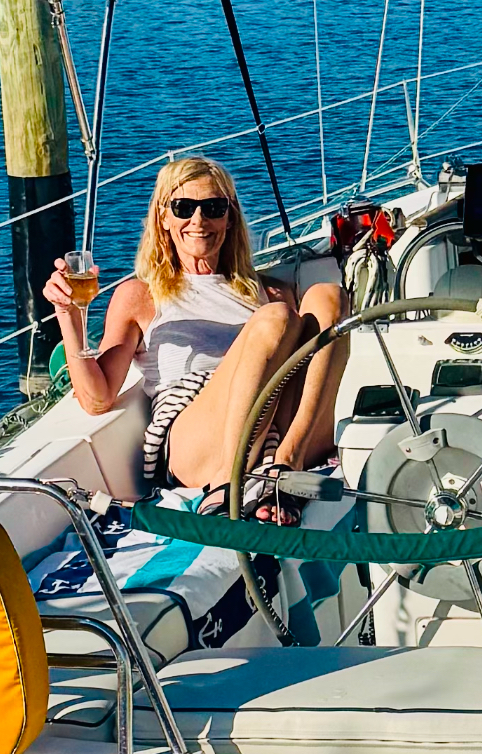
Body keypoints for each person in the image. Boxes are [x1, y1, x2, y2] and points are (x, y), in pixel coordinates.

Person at [43, 157, 346, 515]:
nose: (199, 221)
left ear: (230, 217)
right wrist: (68, 316)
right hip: (199, 442)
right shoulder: (141, 296)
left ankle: (285, 470)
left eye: (214, 207)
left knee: (328, 296)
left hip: (279, 434)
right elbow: (97, 399)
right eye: (184, 207)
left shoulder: (273, 292)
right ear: (163, 218)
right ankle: (227, 483)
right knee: (276, 319)